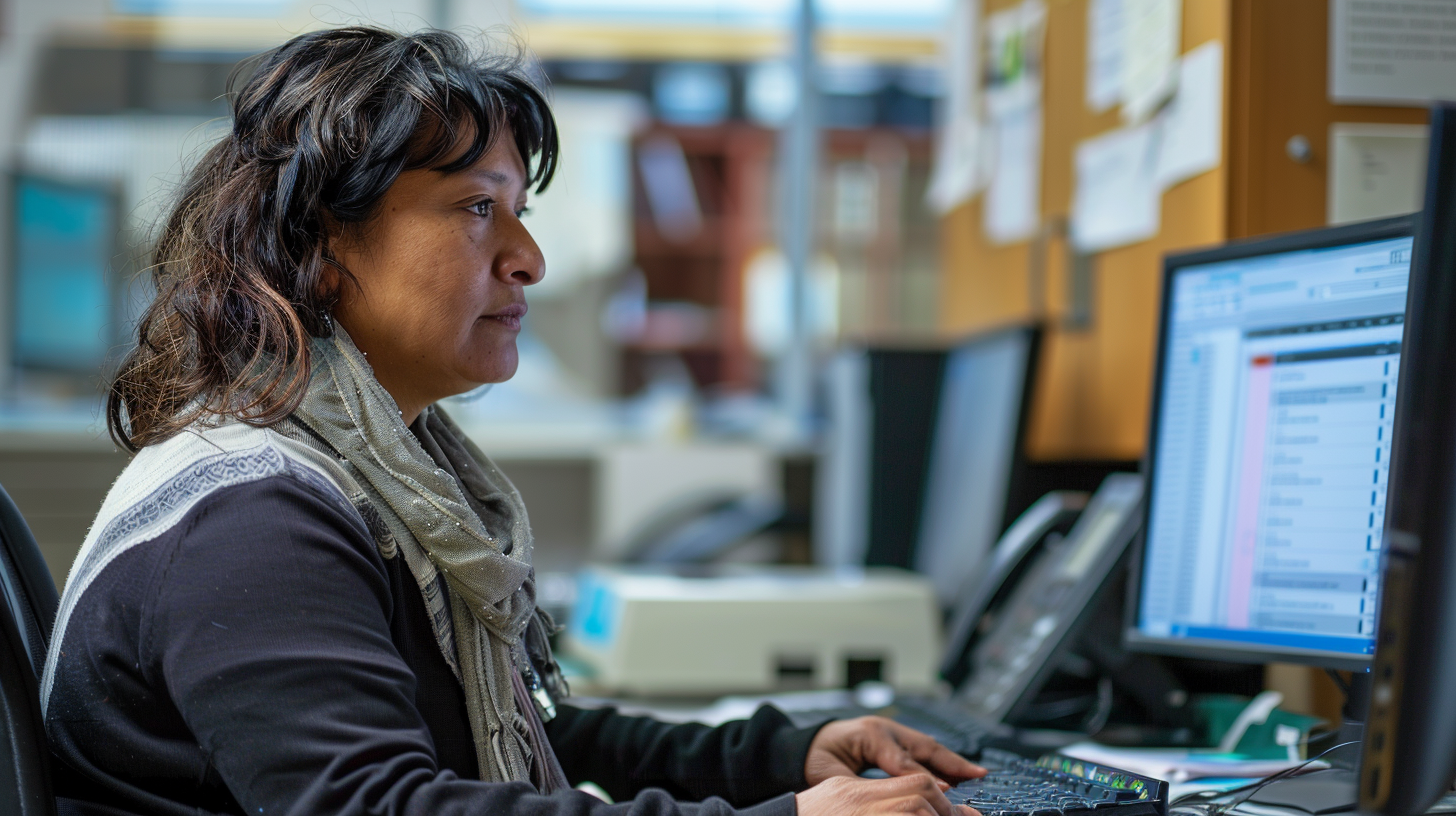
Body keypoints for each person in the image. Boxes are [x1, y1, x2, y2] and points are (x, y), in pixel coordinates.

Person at [41, 26, 985, 816]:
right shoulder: (253, 517)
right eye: (476, 208)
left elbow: (494, 728)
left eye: (520, 211)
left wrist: (776, 759)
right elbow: (383, 807)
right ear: (321, 243)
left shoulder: (366, 468)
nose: (528, 257)